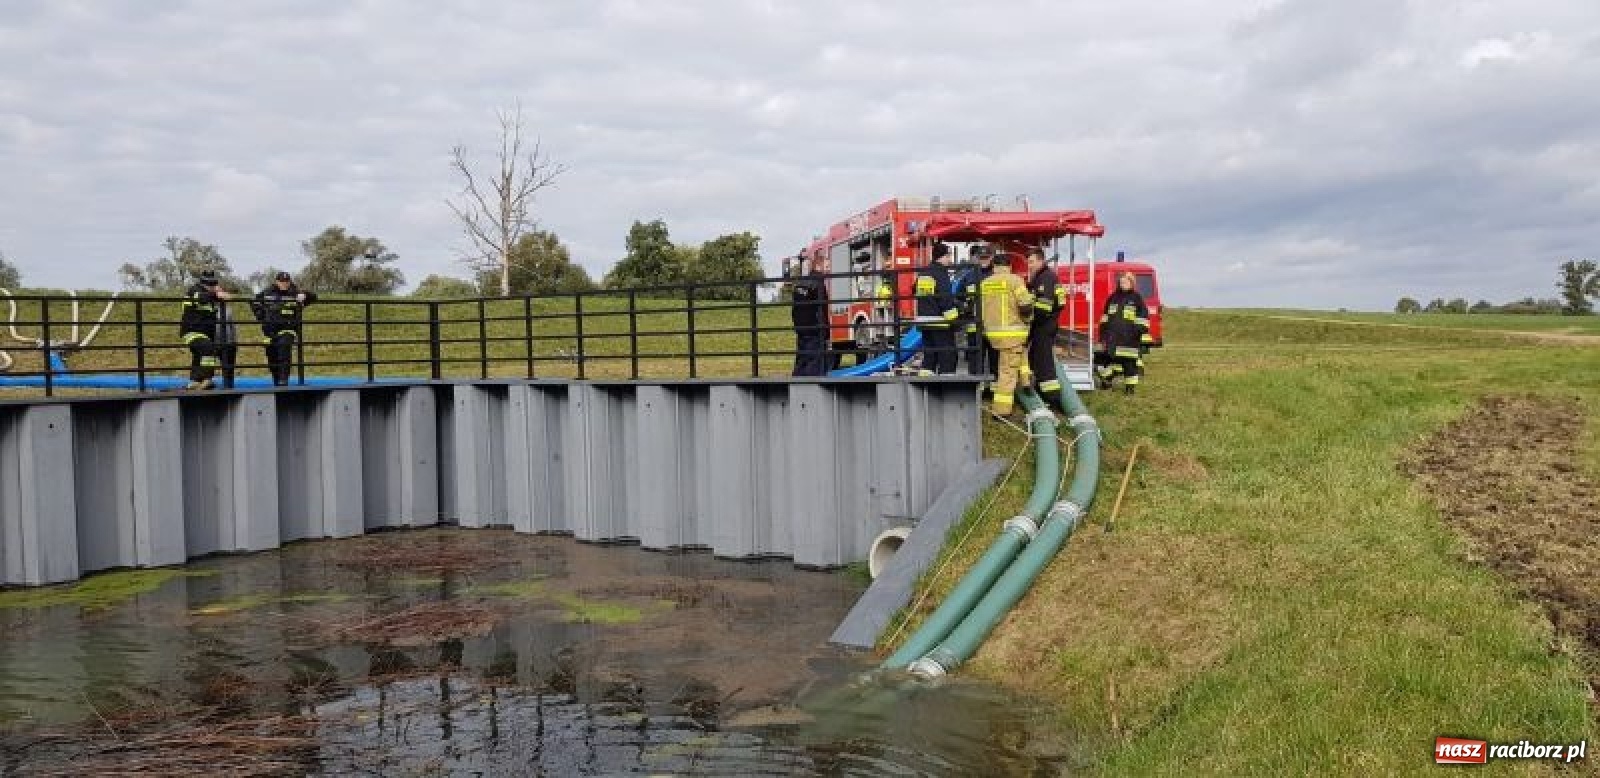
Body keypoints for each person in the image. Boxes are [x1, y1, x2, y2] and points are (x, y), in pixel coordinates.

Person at [977, 250, 1034, 416]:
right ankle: (1001, 410)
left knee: (1020, 356)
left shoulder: (985, 283)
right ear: (1009, 266)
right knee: (1007, 372)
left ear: (994, 266)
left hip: (992, 334)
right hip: (1012, 333)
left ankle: (1026, 382)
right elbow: (1025, 305)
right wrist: (1028, 319)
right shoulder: (1015, 281)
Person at [251, 271, 316, 386]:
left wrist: (305, 295)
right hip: (270, 331)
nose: (284, 284)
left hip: (288, 328)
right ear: (277, 282)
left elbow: (314, 297)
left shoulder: (295, 292)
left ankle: (283, 379)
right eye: (282, 281)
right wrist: (261, 316)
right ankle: (276, 379)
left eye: (287, 281)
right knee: (271, 355)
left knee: (284, 348)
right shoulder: (267, 292)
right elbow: (254, 302)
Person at [1097, 271, 1152, 394]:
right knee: (1112, 362)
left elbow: (1144, 319)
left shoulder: (1137, 298)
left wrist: (1136, 331)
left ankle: (1130, 389)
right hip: (1113, 339)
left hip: (1130, 340)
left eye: (1126, 282)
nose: (1123, 284)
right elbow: (1105, 318)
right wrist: (1102, 336)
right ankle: (1106, 380)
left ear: (1131, 283)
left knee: (1129, 365)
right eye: (1121, 282)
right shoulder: (1112, 298)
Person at [1024, 248, 1065, 408]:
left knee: (1044, 363)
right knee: (1035, 359)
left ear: (1041, 260)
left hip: (1043, 325)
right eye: (1028, 262)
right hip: (1044, 325)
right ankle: (1040, 392)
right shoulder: (1042, 277)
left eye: (1032, 261)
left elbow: (1043, 307)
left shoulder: (1045, 278)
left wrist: (1028, 320)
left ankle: (1053, 399)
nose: (1029, 265)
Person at [179, 270, 231, 390]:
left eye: (213, 284)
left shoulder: (211, 296)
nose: (211, 287)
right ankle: (207, 379)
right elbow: (201, 298)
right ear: (203, 284)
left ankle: (194, 381)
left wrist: (222, 294)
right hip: (192, 331)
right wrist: (217, 294)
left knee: (199, 355)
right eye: (210, 285)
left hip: (205, 333)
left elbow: (227, 296)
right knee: (208, 349)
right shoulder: (194, 290)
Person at [914, 242, 960, 374]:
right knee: (948, 356)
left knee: (930, 356)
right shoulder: (940, 273)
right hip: (939, 321)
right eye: (949, 256)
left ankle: (926, 387)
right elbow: (945, 298)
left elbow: (915, 290)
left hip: (924, 321)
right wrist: (955, 320)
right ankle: (947, 387)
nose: (950, 260)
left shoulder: (924, 272)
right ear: (943, 256)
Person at [959, 245, 998, 377]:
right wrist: (965, 307)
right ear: (977, 258)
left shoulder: (997, 275)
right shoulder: (968, 277)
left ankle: (994, 389)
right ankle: (976, 387)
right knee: (975, 360)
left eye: (986, 258)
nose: (983, 261)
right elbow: (958, 297)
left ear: (992, 257)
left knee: (995, 360)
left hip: (994, 326)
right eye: (981, 258)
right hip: (974, 326)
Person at [789, 251, 829, 377]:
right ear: (819, 265)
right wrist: (826, 330)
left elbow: (795, 307)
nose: (829, 269)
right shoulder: (818, 284)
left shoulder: (800, 283)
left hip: (801, 328)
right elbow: (822, 309)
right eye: (827, 266)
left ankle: (796, 383)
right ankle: (812, 388)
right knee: (815, 362)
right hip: (815, 329)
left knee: (801, 359)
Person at [216, 298, 241, 389]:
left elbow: (233, 327)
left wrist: (235, 341)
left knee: (229, 366)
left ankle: (229, 385)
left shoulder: (228, 311)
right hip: (215, 342)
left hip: (229, 342)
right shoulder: (209, 309)